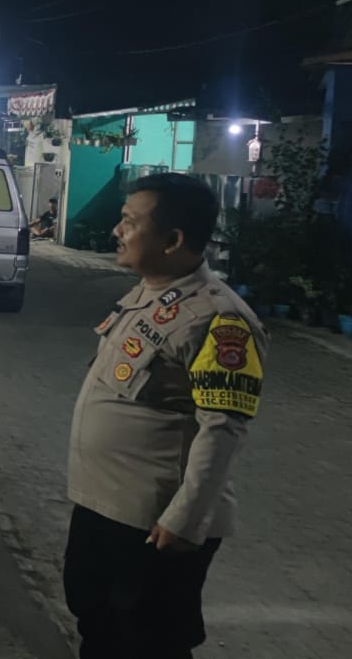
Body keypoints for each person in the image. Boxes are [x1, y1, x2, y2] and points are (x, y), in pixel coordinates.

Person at [65, 173, 265, 659]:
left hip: (155, 524)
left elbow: (222, 428)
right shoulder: (148, 295)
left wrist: (186, 519)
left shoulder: (220, 319)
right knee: (98, 626)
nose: (117, 231)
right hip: (105, 506)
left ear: (173, 240)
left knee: (148, 642)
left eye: (129, 222)